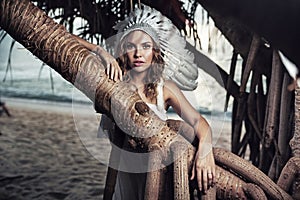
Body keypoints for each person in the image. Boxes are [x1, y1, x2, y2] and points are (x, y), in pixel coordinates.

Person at [74, 4, 215, 199]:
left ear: (155, 51)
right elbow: (61, 39)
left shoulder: (164, 88)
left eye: (146, 46)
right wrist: (100, 51)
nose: (138, 53)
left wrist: (205, 152)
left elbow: (199, 123)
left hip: (157, 178)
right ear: (124, 50)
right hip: (123, 180)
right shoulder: (112, 81)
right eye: (131, 46)